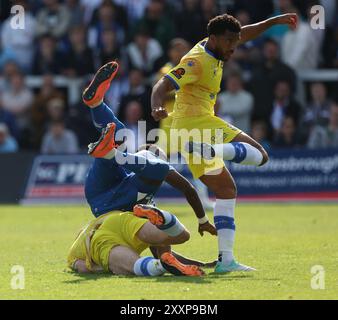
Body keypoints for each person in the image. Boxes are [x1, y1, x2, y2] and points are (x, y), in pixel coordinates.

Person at [151, 12, 298, 273]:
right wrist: (155, 106)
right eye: (230, 41)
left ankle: (226, 261)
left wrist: (273, 21)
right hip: (195, 125)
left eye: (235, 41)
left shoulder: (218, 46)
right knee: (259, 154)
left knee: (227, 190)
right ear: (215, 38)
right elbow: (163, 82)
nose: (234, 47)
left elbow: (247, 32)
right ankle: (212, 149)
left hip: (196, 127)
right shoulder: (196, 61)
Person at [82, 61, 217, 238]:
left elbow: (189, 190)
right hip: (104, 200)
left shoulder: (145, 173)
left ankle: (96, 105)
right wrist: (202, 221)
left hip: (103, 192)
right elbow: (188, 189)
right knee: (120, 145)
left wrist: (202, 221)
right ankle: (97, 107)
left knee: (119, 137)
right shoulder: (159, 168)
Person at [68, 204, 206, 276]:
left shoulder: (73, 255)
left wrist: (103, 268)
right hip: (121, 218)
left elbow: (83, 268)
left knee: (134, 266)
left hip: (101, 240)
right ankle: (167, 218)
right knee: (180, 236)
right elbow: (162, 248)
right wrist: (201, 263)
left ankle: (159, 266)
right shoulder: (92, 224)